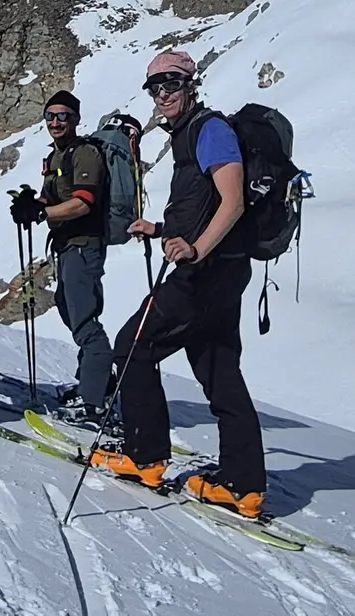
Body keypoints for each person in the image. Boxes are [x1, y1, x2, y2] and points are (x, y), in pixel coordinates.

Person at [92, 50, 268, 519]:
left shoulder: (210, 130)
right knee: (219, 371)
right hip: (222, 271)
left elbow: (232, 203)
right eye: (155, 87)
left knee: (134, 345)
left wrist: (195, 250)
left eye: (172, 84)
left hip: (205, 273)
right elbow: (203, 204)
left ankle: (145, 456)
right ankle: (243, 485)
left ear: (191, 84)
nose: (163, 94)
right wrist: (161, 231)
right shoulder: (190, 134)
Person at [14, 90, 114, 426]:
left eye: (63, 116)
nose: (56, 122)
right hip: (68, 245)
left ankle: (94, 403)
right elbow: (55, 198)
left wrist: (44, 214)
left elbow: (84, 202)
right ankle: (95, 383)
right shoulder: (58, 155)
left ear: (76, 119)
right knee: (69, 307)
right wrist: (33, 203)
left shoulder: (84, 153)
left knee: (84, 319)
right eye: (51, 116)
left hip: (83, 245)